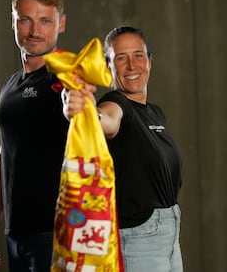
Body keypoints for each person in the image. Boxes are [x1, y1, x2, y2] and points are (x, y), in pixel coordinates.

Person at [63, 26, 183, 271]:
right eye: (120, 58)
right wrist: (85, 110)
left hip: (169, 235)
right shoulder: (116, 104)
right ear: (108, 66)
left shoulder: (155, 113)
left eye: (138, 55)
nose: (131, 65)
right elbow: (106, 120)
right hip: (138, 238)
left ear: (150, 61)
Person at [0, 0, 69, 272]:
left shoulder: (69, 80)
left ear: (61, 24)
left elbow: (97, 132)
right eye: (25, 19)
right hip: (16, 235)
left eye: (45, 21)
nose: (34, 31)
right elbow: (7, 154)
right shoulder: (10, 86)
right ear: (13, 22)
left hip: (59, 234)